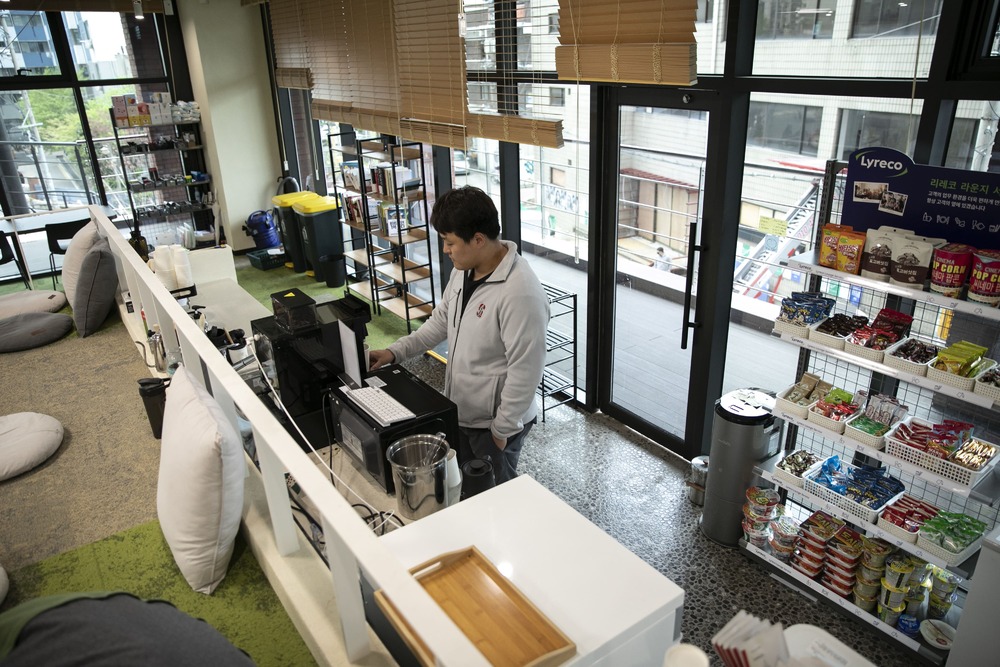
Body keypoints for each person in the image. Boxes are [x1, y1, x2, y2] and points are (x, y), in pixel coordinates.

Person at [369, 186, 550, 486]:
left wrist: (501, 431)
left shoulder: (521, 293)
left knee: (495, 497)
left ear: (478, 239)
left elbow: (526, 370)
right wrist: (394, 352)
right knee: (464, 490)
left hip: (493, 424)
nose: (445, 250)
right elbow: (441, 321)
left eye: (449, 242)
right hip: (462, 411)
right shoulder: (465, 269)